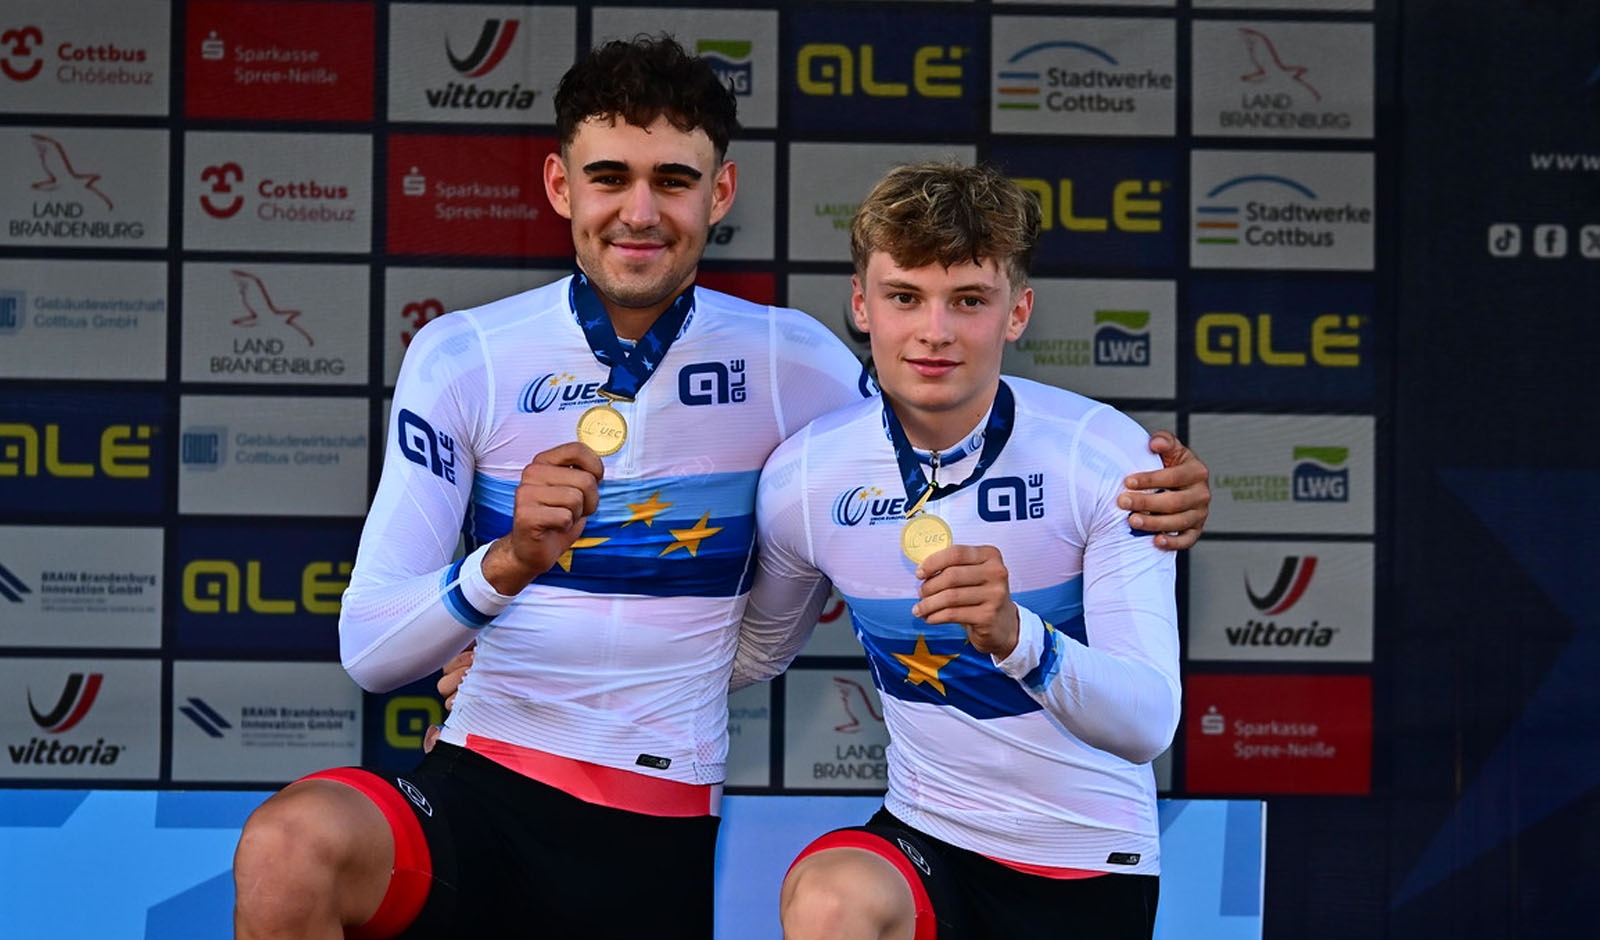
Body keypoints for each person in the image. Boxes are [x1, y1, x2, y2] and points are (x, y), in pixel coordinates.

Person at [231, 36, 1208, 940]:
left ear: (721, 190)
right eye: (609, 177)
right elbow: (370, 645)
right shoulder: (463, 356)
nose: (641, 212)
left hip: (651, 819)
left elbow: (944, 430)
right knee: (288, 847)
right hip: (478, 776)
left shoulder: (799, 368)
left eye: (674, 180)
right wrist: (502, 569)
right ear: (558, 184)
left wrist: (1168, 494)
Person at [731, 161, 1182, 940]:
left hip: (1086, 862)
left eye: (968, 300)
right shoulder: (807, 475)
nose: (934, 332)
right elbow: (744, 652)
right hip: (925, 837)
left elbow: (1148, 721)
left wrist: (1020, 636)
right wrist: (514, 668)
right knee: (831, 901)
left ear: (1018, 312)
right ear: (861, 305)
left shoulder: (1100, 454)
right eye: (905, 297)